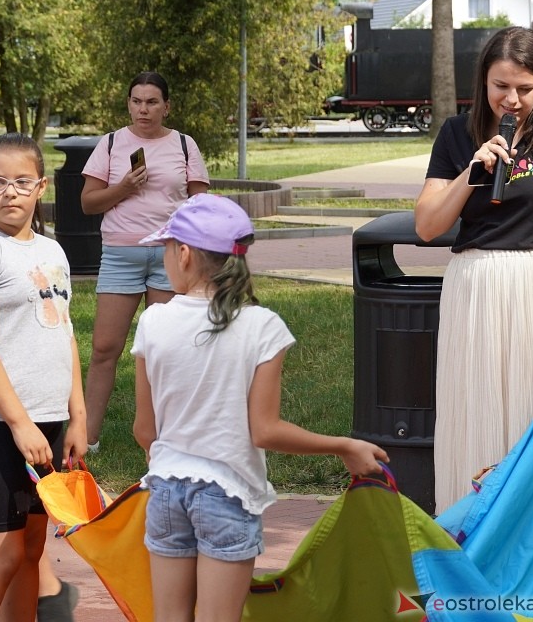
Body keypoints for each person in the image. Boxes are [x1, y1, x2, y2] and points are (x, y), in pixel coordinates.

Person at [131, 193, 388, 621]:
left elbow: (144, 429)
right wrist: (344, 445)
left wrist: (166, 463)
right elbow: (264, 431)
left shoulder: (153, 320)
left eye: (164, 251)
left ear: (184, 253)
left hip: (166, 492)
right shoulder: (262, 326)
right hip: (228, 496)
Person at [415, 27, 533, 511]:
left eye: (525, 88)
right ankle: (472, 543)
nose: (513, 100)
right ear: (483, 81)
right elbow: (427, 225)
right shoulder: (457, 135)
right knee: (476, 414)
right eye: (502, 87)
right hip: (477, 294)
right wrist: (470, 172)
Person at [0, 133, 86, 622]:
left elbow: (64, 333)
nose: (11, 192)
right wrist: (19, 424)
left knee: (30, 547)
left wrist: (79, 414)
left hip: (49, 420)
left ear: (41, 187)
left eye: (22, 181)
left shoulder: (53, 252)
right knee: (2, 550)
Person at [80, 71, 210, 452]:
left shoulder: (184, 145)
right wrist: (123, 188)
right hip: (121, 255)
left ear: (166, 106)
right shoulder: (110, 144)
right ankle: (86, 439)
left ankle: (165, 439)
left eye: (152, 102)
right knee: (105, 348)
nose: (143, 109)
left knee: (162, 351)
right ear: (128, 105)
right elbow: (88, 203)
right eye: (136, 101)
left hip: (170, 258)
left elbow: (201, 205)